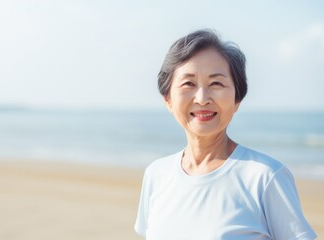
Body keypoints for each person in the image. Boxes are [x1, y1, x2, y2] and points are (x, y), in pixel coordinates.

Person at [134, 29, 317, 240]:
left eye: (216, 83)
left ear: (237, 99)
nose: (202, 98)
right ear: (168, 100)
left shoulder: (265, 177)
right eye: (188, 84)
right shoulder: (156, 175)